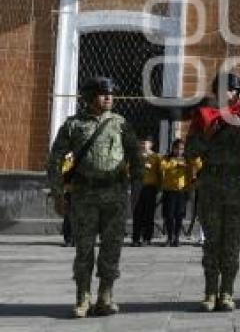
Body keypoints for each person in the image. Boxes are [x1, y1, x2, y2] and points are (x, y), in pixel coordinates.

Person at [46, 76, 142, 318]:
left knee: (112, 248)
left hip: (115, 195)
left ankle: (105, 296)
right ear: (89, 97)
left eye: (111, 93)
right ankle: (83, 297)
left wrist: (136, 190)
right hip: (84, 196)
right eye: (102, 93)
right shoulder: (74, 125)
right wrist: (58, 194)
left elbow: (136, 157)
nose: (109, 97)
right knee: (84, 249)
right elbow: (55, 159)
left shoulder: (121, 123)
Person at [186, 73, 240, 312]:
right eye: (220, 90)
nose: (225, 94)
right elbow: (190, 152)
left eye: (229, 90)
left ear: (237, 94)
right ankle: (210, 293)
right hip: (211, 184)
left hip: (238, 185)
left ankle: (227, 292)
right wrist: (207, 137)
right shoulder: (204, 117)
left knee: (232, 243)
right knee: (212, 243)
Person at [160, 139, 192, 247]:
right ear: (173, 148)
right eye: (177, 148)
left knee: (179, 215)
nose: (179, 151)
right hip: (169, 191)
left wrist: (189, 188)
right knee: (169, 215)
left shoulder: (186, 160)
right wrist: (175, 163)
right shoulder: (167, 158)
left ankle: (177, 238)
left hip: (182, 191)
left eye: (181, 149)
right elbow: (162, 166)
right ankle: (169, 237)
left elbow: (190, 174)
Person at [132, 137, 160, 247]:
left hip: (150, 186)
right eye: (141, 143)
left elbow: (160, 172)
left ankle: (147, 238)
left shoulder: (156, 157)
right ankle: (135, 238)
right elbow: (128, 170)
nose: (143, 145)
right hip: (137, 185)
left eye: (146, 143)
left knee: (149, 213)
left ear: (151, 144)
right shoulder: (135, 156)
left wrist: (159, 186)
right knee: (137, 212)